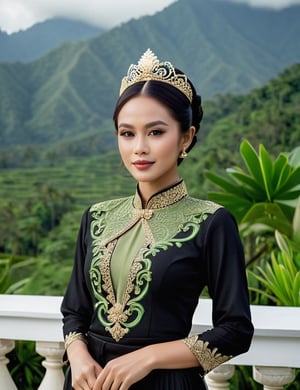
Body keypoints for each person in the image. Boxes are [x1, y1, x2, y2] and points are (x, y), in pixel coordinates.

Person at [61, 49, 254, 390]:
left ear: (186, 137)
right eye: (127, 133)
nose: (139, 148)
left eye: (155, 132)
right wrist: (77, 356)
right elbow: (75, 311)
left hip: (165, 383)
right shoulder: (96, 217)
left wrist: (148, 357)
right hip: (88, 382)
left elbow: (235, 331)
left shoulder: (212, 222)